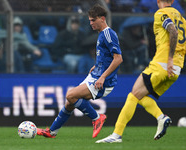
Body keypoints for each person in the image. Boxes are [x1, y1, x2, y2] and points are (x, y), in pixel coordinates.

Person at [96, 0, 186, 143]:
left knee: (133, 96)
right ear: (172, 1)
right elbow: (185, 45)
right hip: (176, 68)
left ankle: (116, 135)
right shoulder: (183, 19)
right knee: (138, 95)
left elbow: (173, 31)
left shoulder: (161, 13)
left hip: (163, 64)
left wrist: (169, 58)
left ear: (158, 1)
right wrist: (175, 60)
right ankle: (161, 118)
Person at [37, 4, 123, 138]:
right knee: (69, 102)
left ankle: (96, 118)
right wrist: (98, 65)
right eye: (89, 20)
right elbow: (107, 56)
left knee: (71, 95)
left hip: (103, 81)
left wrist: (103, 77)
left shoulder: (108, 33)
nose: (91, 23)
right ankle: (52, 131)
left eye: (93, 20)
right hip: (96, 75)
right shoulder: (101, 34)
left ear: (102, 18)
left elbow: (118, 59)